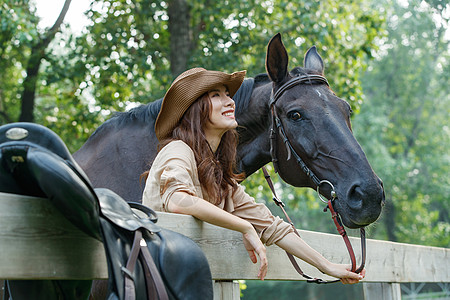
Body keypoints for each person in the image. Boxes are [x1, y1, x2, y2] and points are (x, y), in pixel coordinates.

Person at [142, 67, 365, 284]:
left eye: (228, 95)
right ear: (195, 109)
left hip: (185, 283)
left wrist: (326, 266)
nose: (230, 101)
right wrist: (244, 226)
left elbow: (273, 227)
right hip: (157, 283)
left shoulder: (220, 179)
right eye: (216, 95)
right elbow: (178, 200)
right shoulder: (178, 150)